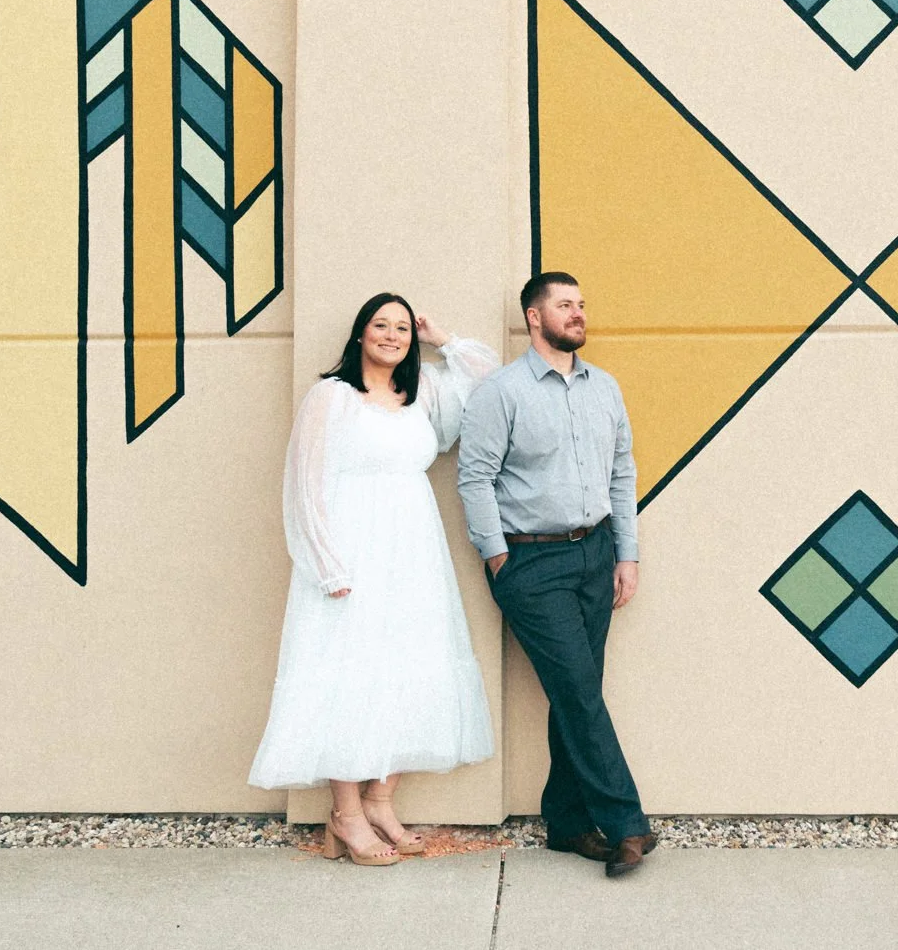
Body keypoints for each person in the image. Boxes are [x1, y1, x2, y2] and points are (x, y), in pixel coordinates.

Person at [249, 292, 499, 867]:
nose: (392, 335)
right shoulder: (331, 397)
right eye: (380, 325)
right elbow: (303, 483)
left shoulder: (424, 396)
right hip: (353, 553)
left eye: (403, 328)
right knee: (349, 673)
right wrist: (326, 563)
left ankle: (381, 801)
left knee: (405, 669)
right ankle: (345, 814)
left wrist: (445, 339)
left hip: (413, 552)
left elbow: (490, 383)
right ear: (360, 333)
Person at [456, 271, 655, 877]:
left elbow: (622, 471)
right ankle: (627, 825)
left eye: (582, 305)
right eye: (564, 305)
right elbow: (475, 477)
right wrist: (498, 558)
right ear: (534, 317)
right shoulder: (502, 391)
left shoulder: (605, 389)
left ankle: (566, 824)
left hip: (596, 555)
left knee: (577, 694)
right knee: (578, 691)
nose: (578, 314)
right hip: (531, 563)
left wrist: (626, 553)